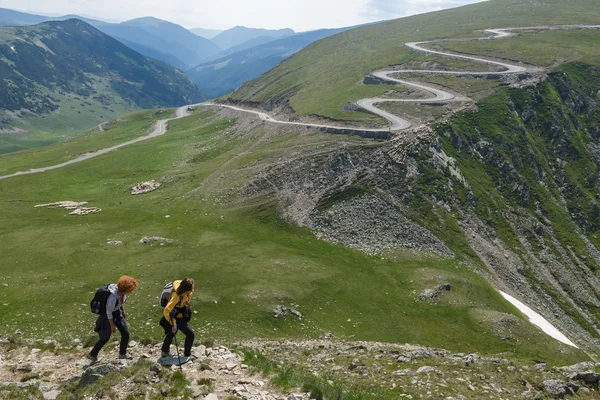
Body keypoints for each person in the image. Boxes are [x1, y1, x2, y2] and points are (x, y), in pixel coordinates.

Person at [88, 275, 138, 363]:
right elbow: (108, 312)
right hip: (108, 317)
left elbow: (121, 301)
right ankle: (93, 354)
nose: (130, 292)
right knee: (105, 337)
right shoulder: (112, 297)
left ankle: (122, 354)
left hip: (117, 313)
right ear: (125, 289)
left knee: (126, 333)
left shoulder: (121, 293)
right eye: (129, 290)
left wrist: (123, 311)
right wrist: (112, 326)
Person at [160, 278, 195, 362]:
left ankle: (164, 351)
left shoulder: (183, 293)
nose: (191, 291)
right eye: (190, 290)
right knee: (190, 334)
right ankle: (187, 354)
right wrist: (174, 324)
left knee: (171, 333)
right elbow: (166, 310)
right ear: (185, 289)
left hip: (180, 316)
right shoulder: (176, 297)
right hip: (177, 319)